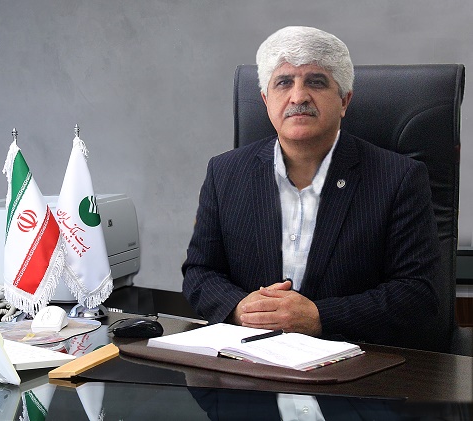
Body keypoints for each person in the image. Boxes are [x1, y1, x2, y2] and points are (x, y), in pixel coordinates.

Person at [182, 26, 447, 352]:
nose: (298, 97)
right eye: (284, 82)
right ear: (266, 100)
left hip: (354, 367)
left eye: (316, 82)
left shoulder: (399, 178)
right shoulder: (224, 172)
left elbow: (419, 293)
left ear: (344, 100)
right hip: (250, 360)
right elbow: (200, 272)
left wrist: (321, 316)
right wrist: (240, 308)